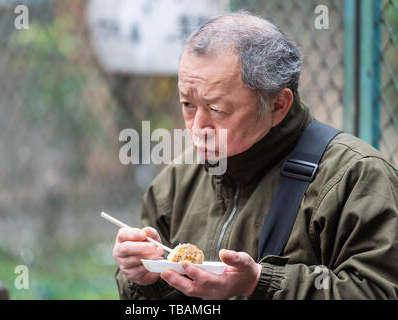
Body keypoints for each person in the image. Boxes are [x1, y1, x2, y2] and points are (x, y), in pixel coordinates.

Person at [112, 11, 398, 299]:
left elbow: (379, 290)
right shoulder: (176, 182)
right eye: (187, 104)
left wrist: (259, 283)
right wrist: (144, 280)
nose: (197, 128)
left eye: (217, 109)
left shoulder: (355, 177)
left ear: (278, 105)